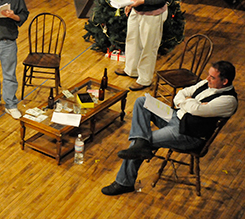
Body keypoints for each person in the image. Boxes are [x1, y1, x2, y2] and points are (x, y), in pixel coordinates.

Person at [102, 61, 238, 195]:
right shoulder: (206, 83)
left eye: (212, 77)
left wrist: (189, 102)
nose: (207, 78)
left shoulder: (228, 101)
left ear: (224, 81)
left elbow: (195, 109)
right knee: (142, 102)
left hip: (188, 133)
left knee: (140, 144)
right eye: (208, 75)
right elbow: (182, 93)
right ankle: (140, 143)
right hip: (176, 116)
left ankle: (124, 183)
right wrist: (190, 102)